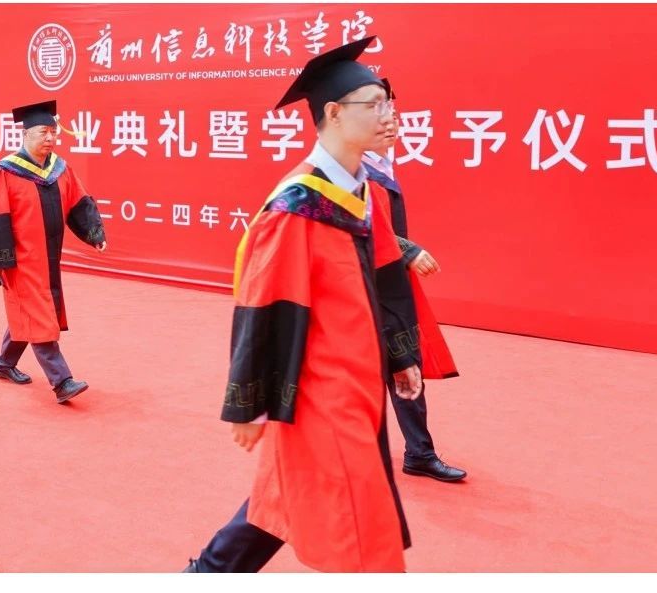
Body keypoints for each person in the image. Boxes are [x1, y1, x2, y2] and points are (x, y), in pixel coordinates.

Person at [184, 41, 421, 573]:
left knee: (280, 500)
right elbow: (265, 305)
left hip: (360, 385)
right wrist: (251, 405)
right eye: (374, 104)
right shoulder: (295, 207)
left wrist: (402, 356)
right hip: (322, 392)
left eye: (388, 103)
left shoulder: (362, 192)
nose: (388, 115)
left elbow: (387, 278)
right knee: (360, 536)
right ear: (333, 113)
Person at [364, 80, 465, 482]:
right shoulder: (348, 172)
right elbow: (362, 224)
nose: (391, 121)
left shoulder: (380, 167)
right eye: (380, 112)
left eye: (392, 111)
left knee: (404, 365)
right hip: (364, 286)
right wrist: (408, 249)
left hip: (391, 285)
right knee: (371, 371)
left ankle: (418, 452)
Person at [0, 99, 107, 402]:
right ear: (25, 135)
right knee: (38, 314)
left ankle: (4, 363)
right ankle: (62, 381)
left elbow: (79, 202)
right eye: (42, 132)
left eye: (53, 132)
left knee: (28, 311)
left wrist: (95, 233)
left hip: (48, 257)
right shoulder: (5, 172)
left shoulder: (59, 169)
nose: (49, 138)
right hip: (20, 260)